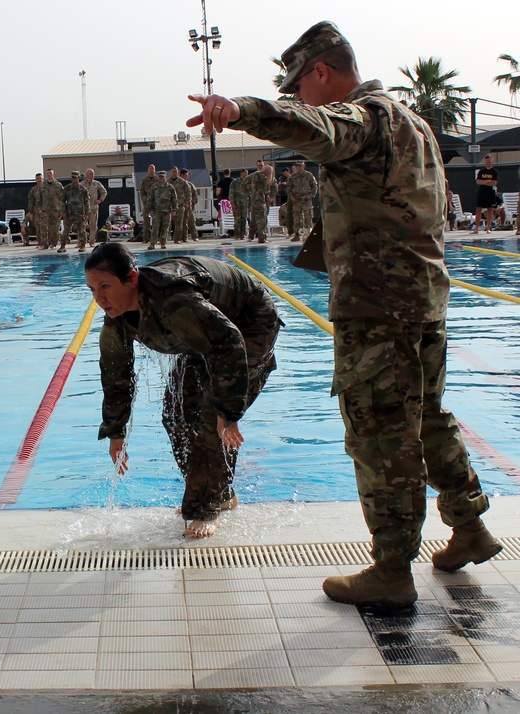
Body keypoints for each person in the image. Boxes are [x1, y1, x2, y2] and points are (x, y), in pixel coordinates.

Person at [187, 20, 501, 606]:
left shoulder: (366, 117)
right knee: (428, 418)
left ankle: (391, 571)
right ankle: (470, 525)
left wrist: (241, 111)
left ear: (322, 73)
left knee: (380, 432)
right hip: (423, 301)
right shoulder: (413, 122)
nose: (298, 97)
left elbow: (321, 126)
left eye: (298, 86)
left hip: (379, 307)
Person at [85, 243, 280, 538]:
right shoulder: (116, 320)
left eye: (105, 286)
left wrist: (229, 411)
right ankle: (219, 492)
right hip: (208, 334)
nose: (100, 298)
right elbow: (116, 376)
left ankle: (206, 507)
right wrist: (116, 430)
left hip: (249, 322)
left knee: (210, 415)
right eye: (92, 289)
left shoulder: (175, 300)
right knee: (175, 414)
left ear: (132, 279)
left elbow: (228, 342)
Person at [286, 161, 318, 242]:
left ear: (303, 166)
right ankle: (296, 234)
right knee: (297, 218)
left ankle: (308, 235)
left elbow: (314, 186)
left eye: (300, 166)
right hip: (297, 200)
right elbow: (289, 188)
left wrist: (310, 195)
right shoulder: (292, 177)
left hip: (306, 200)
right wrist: (292, 197)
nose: (299, 167)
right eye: (297, 166)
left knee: (308, 218)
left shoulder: (308, 175)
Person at [60, 171, 90, 253]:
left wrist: (87, 213)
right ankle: (63, 246)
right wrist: (63, 211)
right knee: (66, 230)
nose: (74, 179)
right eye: (72, 178)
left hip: (80, 213)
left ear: (79, 178)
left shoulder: (83, 189)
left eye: (75, 178)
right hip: (69, 213)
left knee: (82, 230)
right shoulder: (67, 188)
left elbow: (86, 202)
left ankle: (83, 245)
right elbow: (62, 200)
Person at [148, 171, 177, 250]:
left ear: (166, 177)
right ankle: (152, 244)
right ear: (158, 177)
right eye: (160, 177)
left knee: (165, 228)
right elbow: (150, 199)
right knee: (155, 228)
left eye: (163, 177)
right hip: (157, 211)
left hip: (167, 211)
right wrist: (150, 209)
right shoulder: (154, 187)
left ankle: (163, 243)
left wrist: (174, 209)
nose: (161, 178)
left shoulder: (170, 187)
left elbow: (174, 199)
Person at [39, 168, 65, 250]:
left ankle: (54, 243)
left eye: (50, 173)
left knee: (55, 228)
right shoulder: (42, 186)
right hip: (45, 209)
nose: (49, 174)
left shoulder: (59, 185)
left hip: (56, 210)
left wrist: (61, 210)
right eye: (47, 173)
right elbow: (39, 198)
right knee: (44, 228)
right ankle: (44, 244)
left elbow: (63, 198)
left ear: (53, 174)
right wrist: (40, 208)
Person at [473, 155, 498, 234]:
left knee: (490, 210)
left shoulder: (494, 172)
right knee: (478, 210)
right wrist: (487, 181)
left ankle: (488, 228)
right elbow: (478, 182)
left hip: (490, 192)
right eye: (486, 161)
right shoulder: (481, 171)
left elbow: (494, 183)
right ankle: (476, 229)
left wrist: (483, 182)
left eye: (489, 160)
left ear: (492, 161)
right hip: (482, 192)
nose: (488, 162)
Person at [84, 169, 108, 246]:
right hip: (84, 208)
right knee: (82, 225)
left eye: (93, 174)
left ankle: (92, 241)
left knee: (93, 225)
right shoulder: (82, 184)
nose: (92, 175)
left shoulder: (97, 183)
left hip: (93, 207)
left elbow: (104, 192)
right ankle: (82, 241)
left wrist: (100, 200)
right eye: (91, 174)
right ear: (87, 174)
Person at [138, 164, 159, 241]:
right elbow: (142, 192)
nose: (151, 171)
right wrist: (146, 201)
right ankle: (146, 239)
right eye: (150, 169)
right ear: (148, 170)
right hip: (146, 204)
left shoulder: (158, 180)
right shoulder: (144, 180)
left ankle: (155, 238)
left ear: (154, 170)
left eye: (153, 169)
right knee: (146, 223)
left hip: (156, 204)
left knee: (156, 223)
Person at [179, 169, 201, 241]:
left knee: (191, 222)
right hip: (179, 207)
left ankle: (195, 236)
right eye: (185, 175)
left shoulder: (190, 185)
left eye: (187, 175)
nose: (186, 176)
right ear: (181, 175)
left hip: (189, 207)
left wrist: (192, 203)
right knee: (181, 223)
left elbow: (195, 196)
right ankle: (183, 237)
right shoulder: (177, 184)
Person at [229, 169, 249, 239]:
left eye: (247, 174)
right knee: (237, 220)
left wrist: (250, 205)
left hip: (245, 204)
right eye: (245, 173)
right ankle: (237, 235)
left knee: (244, 219)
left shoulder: (248, 182)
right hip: (237, 204)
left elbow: (250, 194)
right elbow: (231, 193)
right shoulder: (235, 182)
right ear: (241, 173)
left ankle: (242, 235)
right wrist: (232, 203)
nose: (246, 175)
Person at [27, 173, 44, 245]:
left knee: (47, 227)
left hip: (46, 210)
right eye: (37, 179)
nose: (39, 180)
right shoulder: (34, 190)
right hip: (37, 211)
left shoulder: (46, 188)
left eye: (40, 178)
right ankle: (40, 242)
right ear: (35, 180)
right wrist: (31, 212)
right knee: (38, 227)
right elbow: (31, 201)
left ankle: (48, 242)